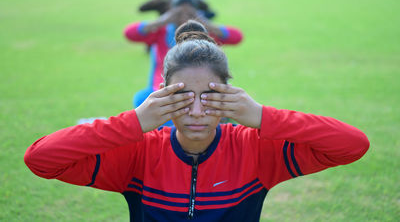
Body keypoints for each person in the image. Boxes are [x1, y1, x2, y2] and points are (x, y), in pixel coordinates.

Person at [25, 20, 369, 221]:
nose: (196, 111)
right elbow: (41, 159)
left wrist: (263, 116)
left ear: (229, 96)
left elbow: (353, 145)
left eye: (210, 95)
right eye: (182, 96)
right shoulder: (137, 153)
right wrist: (133, 122)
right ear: (161, 94)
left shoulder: (255, 150)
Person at [125, 0, 243, 109]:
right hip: (166, 90)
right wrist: (163, 20)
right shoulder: (161, 32)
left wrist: (203, 22)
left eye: (190, 14)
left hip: (204, 91)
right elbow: (130, 33)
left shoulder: (207, 34)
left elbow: (236, 37)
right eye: (179, 13)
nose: (184, 18)